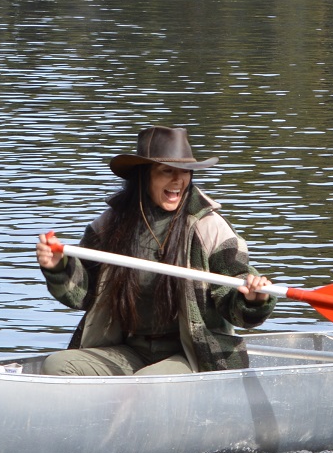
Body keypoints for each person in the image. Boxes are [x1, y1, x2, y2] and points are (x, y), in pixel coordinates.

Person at [34, 126, 275, 375]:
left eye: (184, 172)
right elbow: (83, 295)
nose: (178, 180)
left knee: (146, 383)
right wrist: (59, 267)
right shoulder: (109, 225)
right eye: (166, 171)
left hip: (193, 352)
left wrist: (253, 299)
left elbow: (234, 294)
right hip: (129, 349)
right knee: (57, 365)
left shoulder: (209, 226)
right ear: (144, 176)